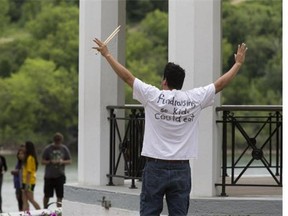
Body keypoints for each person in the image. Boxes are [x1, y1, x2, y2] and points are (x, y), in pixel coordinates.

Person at [93, 38, 248, 215]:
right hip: (181, 167)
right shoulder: (194, 98)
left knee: (149, 212)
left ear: (164, 80)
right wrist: (237, 64)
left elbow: (127, 77)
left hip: (155, 166)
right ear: (181, 82)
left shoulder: (152, 96)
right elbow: (220, 84)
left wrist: (107, 54)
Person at [41, 132, 72, 209]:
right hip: (49, 176)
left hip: (60, 175)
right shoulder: (48, 149)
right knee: (47, 195)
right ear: (54, 140)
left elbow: (69, 161)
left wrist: (62, 162)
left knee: (60, 196)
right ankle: (45, 209)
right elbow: (42, 161)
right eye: (56, 140)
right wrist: (50, 162)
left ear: (61, 140)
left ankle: (59, 210)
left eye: (59, 140)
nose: (58, 142)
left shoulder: (64, 149)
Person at [22, 141, 41, 211]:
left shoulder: (30, 158)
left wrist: (27, 184)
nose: (23, 148)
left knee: (31, 199)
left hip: (29, 181)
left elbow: (29, 172)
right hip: (25, 181)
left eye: (24, 146)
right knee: (24, 199)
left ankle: (42, 212)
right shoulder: (27, 158)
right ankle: (24, 213)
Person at [11, 145, 25, 211]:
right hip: (17, 185)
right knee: (19, 201)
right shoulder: (18, 162)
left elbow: (23, 172)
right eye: (19, 154)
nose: (20, 155)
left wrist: (15, 171)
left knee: (24, 201)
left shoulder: (25, 162)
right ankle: (21, 212)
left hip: (23, 185)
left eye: (22, 154)